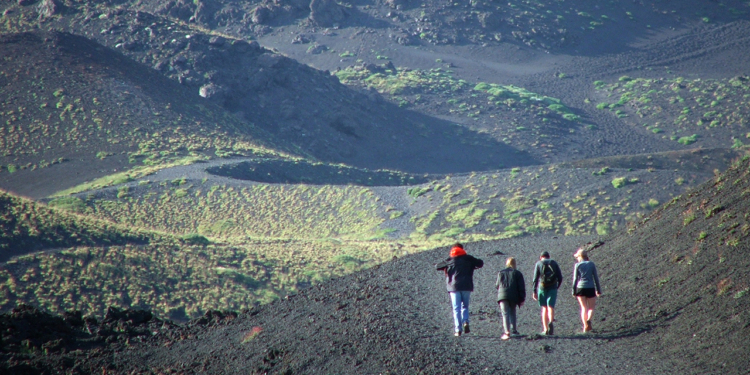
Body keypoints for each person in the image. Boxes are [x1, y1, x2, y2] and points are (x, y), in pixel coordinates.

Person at [436, 243, 484, 337]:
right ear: (462, 249)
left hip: (453, 287)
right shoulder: (468, 258)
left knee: (456, 308)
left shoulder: (450, 260)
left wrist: (448, 261)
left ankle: (458, 330)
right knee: (465, 306)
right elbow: (480, 263)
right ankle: (465, 321)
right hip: (466, 286)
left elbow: (437, 266)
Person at [532, 251, 563, 335]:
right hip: (552, 287)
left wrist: (534, 291)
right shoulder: (554, 263)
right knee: (551, 306)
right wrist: (556, 287)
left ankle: (545, 329)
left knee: (544, 307)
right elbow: (560, 277)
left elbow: (535, 279)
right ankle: (551, 321)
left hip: (542, 287)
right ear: (549, 256)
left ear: (541, 257)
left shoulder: (538, 263)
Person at [572, 248, 602, 333]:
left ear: (580, 256)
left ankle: (585, 326)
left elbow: (575, 279)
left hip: (580, 287)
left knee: (583, 307)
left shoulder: (577, 265)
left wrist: (573, 291)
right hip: (590, 287)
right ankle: (588, 319)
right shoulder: (591, 264)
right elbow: (595, 278)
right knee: (591, 308)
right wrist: (598, 290)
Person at [496, 257, 526, 340]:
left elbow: (497, 285)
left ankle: (507, 332)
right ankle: (514, 330)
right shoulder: (517, 273)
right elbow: (521, 287)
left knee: (505, 313)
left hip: (502, 296)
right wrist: (522, 298)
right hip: (513, 296)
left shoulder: (501, 272)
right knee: (512, 312)